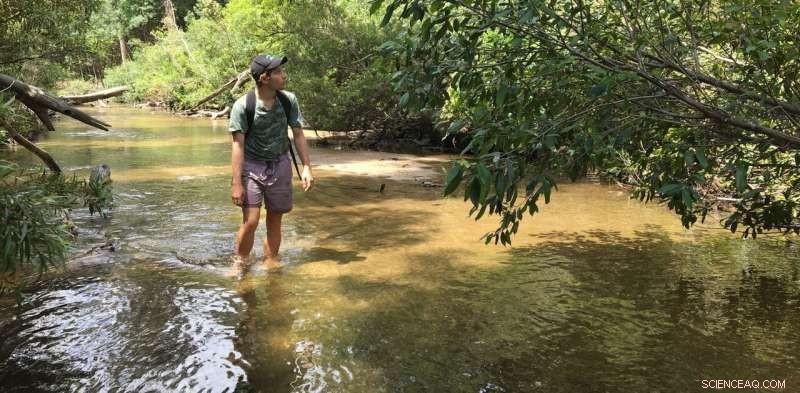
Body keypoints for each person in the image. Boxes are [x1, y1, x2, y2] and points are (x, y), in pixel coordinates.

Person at [228, 54, 314, 276]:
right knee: (251, 221)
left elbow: (298, 134)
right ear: (264, 78)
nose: (284, 76)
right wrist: (236, 183)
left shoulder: (288, 100)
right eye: (278, 72)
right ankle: (240, 262)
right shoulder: (243, 106)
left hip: (280, 164)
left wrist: (306, 167)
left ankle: (271, 261)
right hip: (251, 167)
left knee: (275, 219)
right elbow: (238, 146)